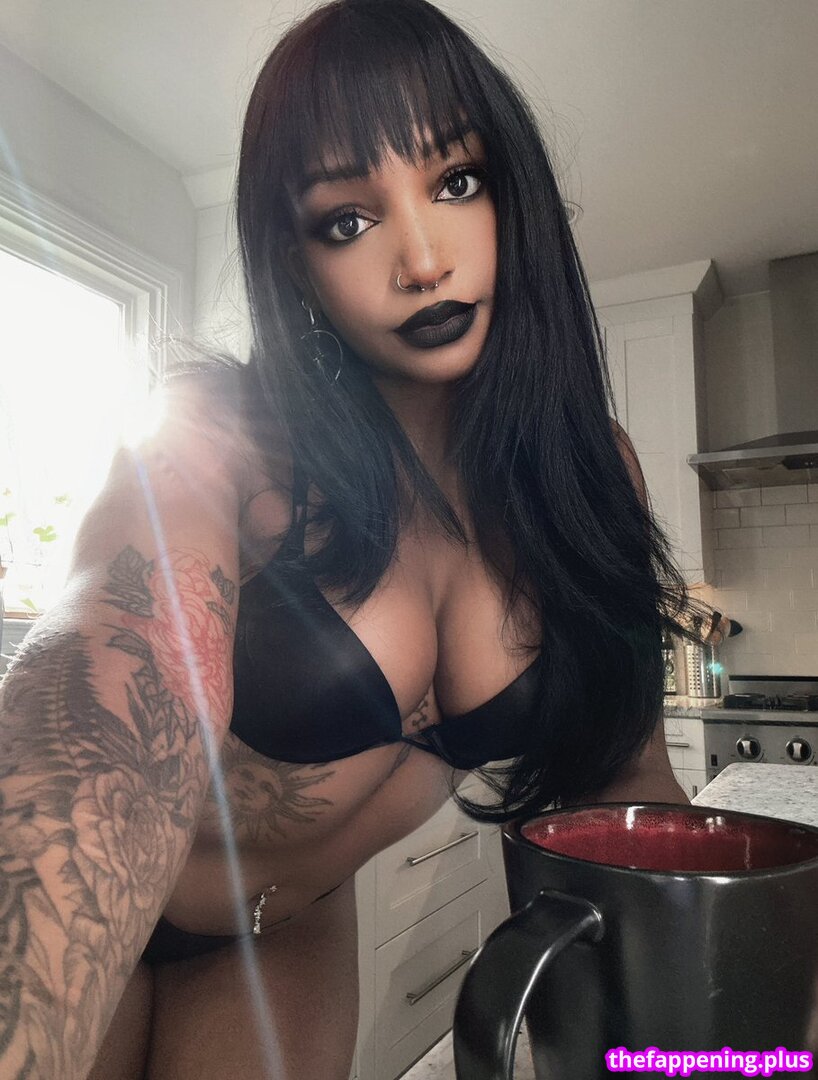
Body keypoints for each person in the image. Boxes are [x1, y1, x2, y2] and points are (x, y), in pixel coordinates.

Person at [0, 1, 713, 1077]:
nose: (421, 259)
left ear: (512, 192)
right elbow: (95, 721)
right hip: (92, 904)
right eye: (346, 220)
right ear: (294, 263)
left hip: (282, 932)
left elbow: (626, 773)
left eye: (455, 181)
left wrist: (714, 1017)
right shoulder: (217, 437)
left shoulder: (586, 472)